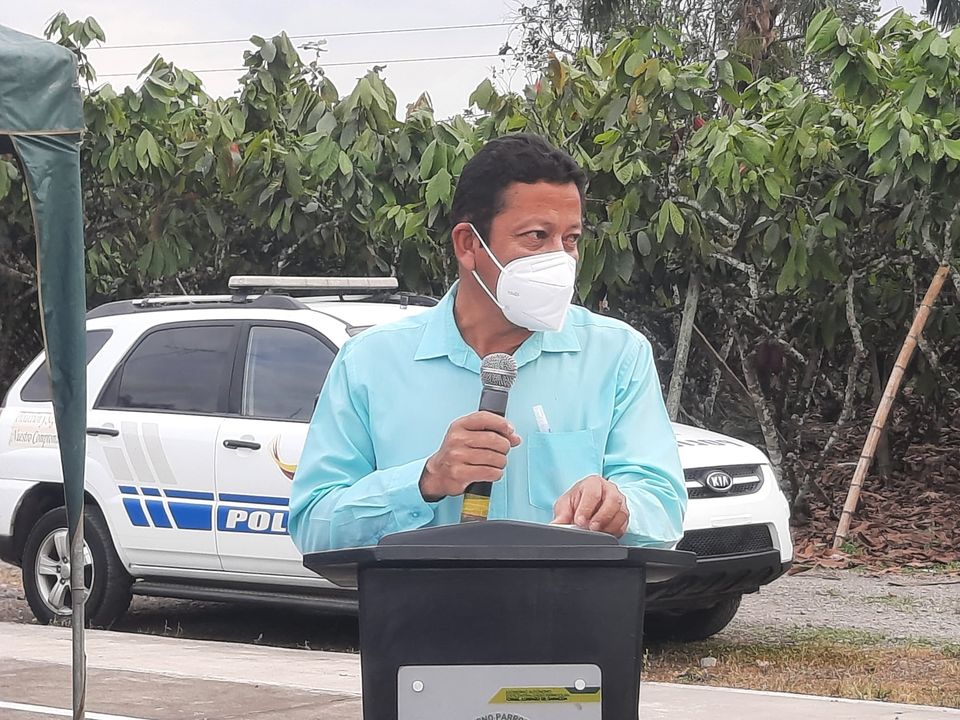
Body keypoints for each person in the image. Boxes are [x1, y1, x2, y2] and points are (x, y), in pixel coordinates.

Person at [289, 133, 686, 553]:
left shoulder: (616, 354)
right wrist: (425, 479)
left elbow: (663, 508)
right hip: (419, 596)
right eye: (536, 236)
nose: (560, 258)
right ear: (469, 245)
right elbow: (314, 527)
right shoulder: (371, 362)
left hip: (568, 596)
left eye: (570, 239)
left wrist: (620, 507)